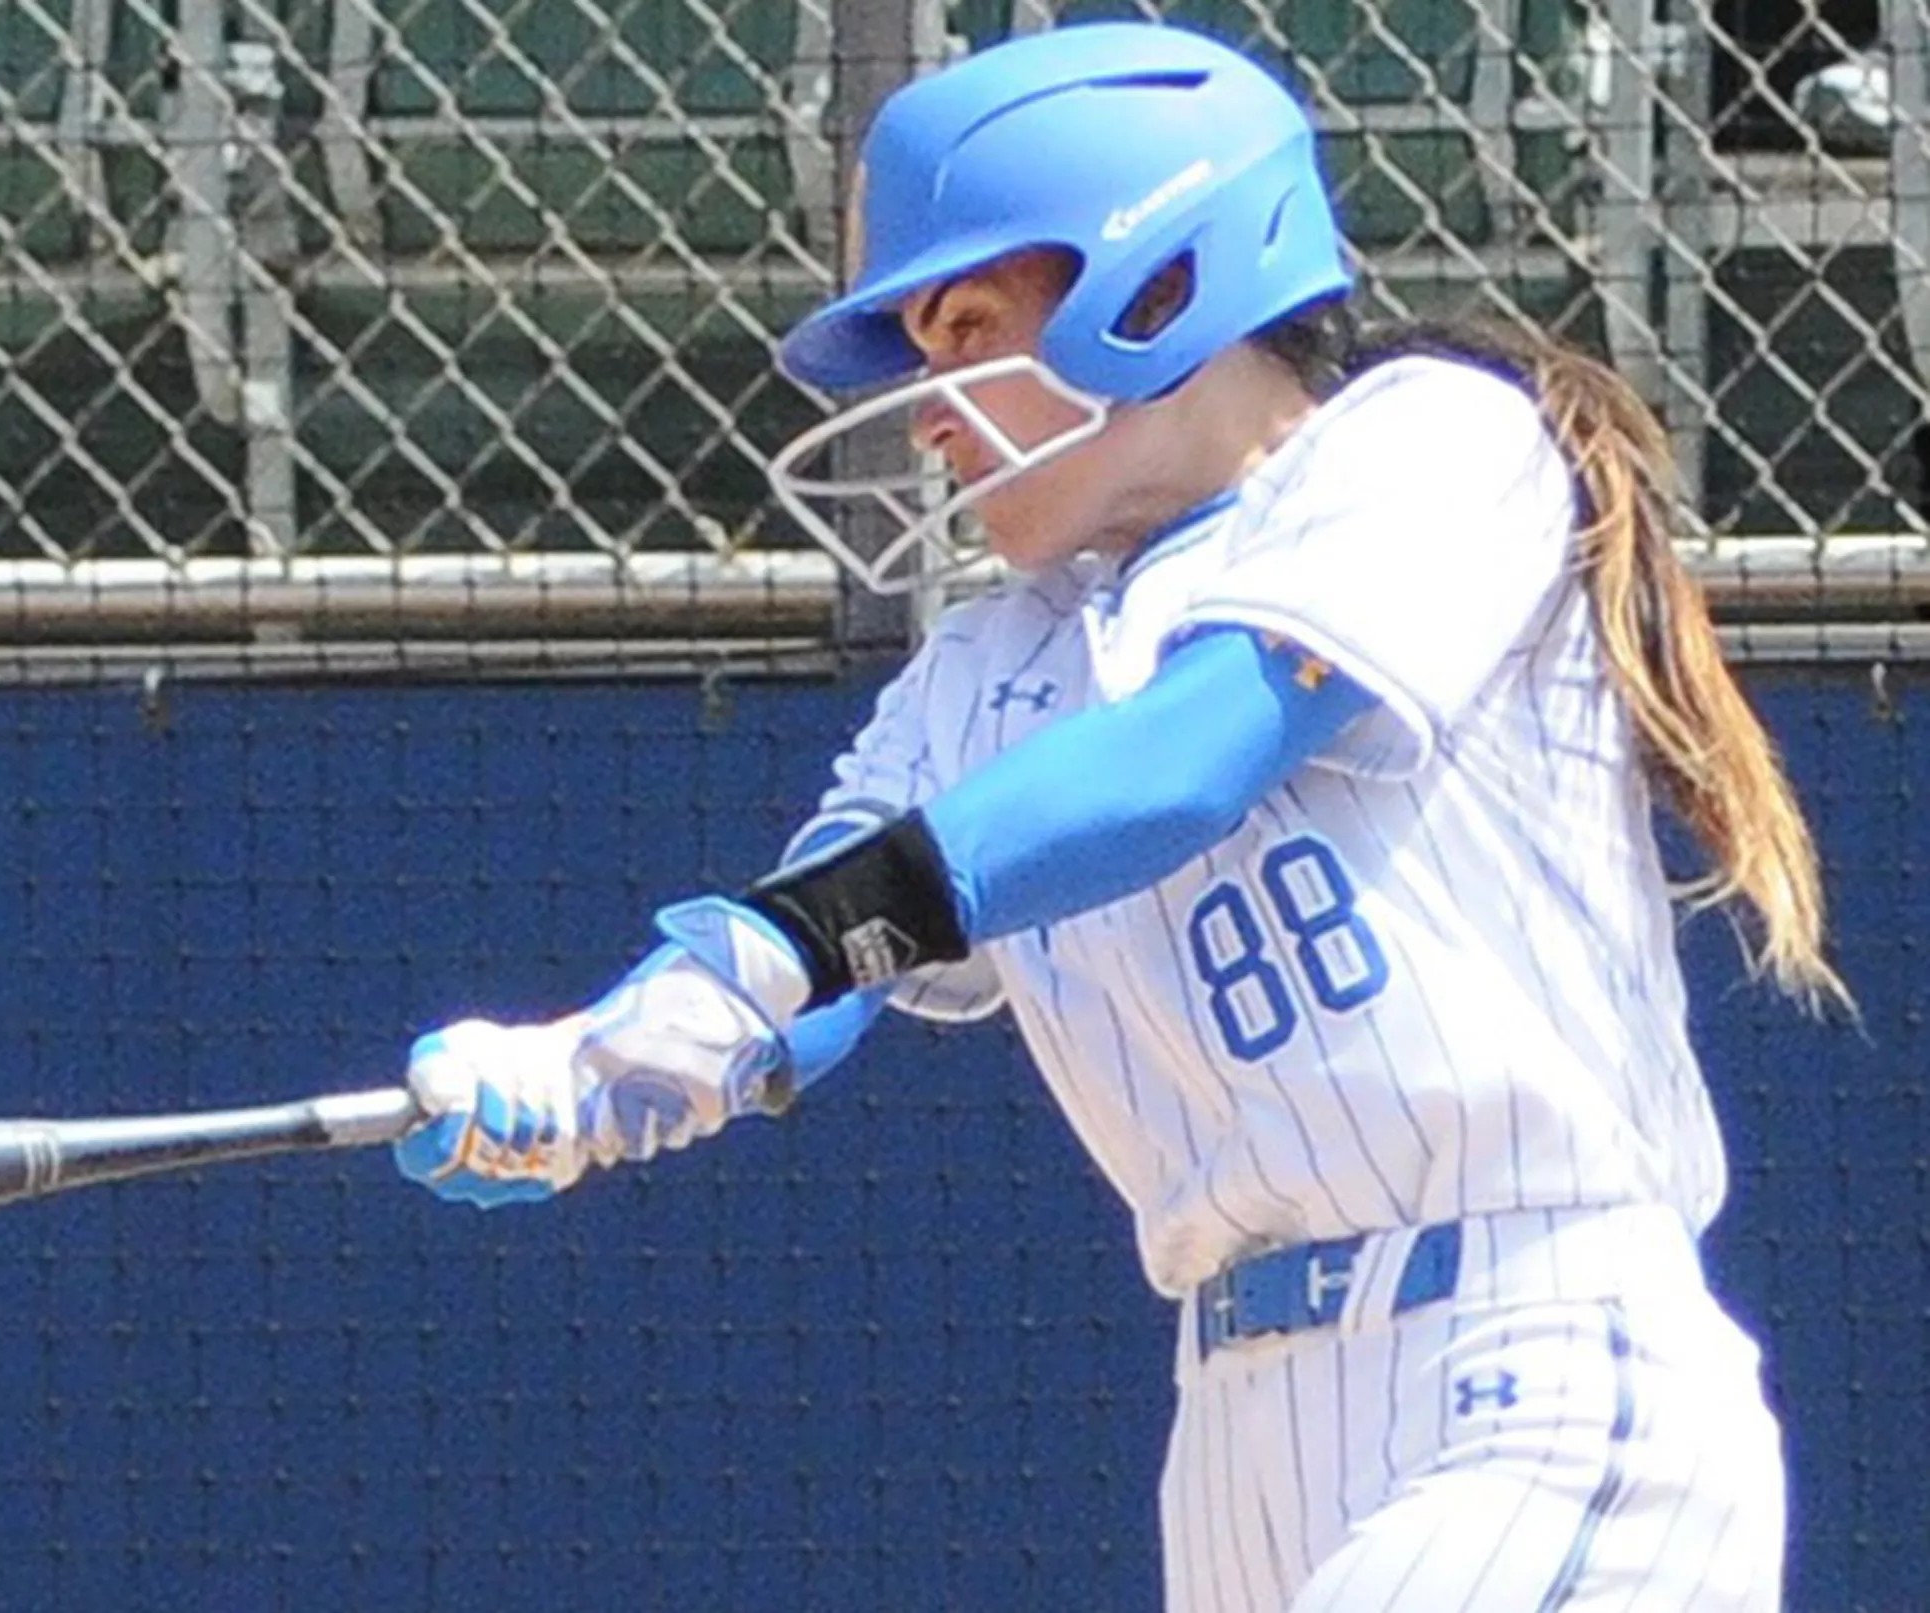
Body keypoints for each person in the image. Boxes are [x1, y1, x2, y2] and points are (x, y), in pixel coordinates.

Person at [394, 21, 1840, 1610]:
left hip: (1528, 1353)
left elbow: (1181, 761)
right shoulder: (988, 661)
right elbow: (830, 943)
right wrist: (599, 1059)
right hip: (1237, 1421)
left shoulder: (1433, 441)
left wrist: (785, 947)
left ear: (1158, 287)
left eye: (967, 329)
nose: (929, 412)